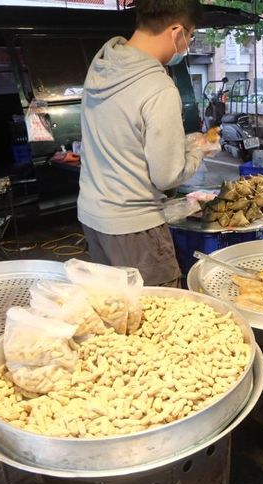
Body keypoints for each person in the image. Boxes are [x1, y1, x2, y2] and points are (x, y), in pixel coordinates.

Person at [77, 0, 205, 287]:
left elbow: (126, 140)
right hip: (135, 228)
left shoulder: (101, 66)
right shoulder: (158, 87)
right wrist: (198, 150)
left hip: (94, 216)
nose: (187, 44)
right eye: (191, 35)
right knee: (156, 317)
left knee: (117, 307)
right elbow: (167, 176)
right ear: (176, 31)